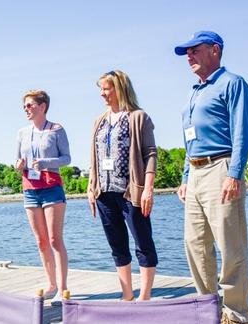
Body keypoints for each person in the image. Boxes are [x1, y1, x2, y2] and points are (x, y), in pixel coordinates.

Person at [175, 31, 248, 324]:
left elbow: (242, 132)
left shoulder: (233, 83)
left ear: (215, 50)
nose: (189, 56)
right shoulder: (194, 91)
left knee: (230, 245)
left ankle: (235, 314)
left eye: (195, 50)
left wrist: (234, 174)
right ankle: (207, 308)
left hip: (221, 168)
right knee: (194, 244)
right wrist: (184, 176)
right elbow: (189, 140)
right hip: (194, 173)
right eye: (187, 53)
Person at [87, 70, 158, 301]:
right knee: (117, 245)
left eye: (106, 89)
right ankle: (127, 294)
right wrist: (91, 187)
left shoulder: (139, 117)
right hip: (104, 193)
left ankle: (144, 296)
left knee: (143, 243)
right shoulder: (99, 121)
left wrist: (147, 188)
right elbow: (94, 157)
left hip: (131, 193)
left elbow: (150, 154)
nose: (102, 94)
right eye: (101, 89)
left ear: (119, 88)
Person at [15, 90, 71, 305]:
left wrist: (46, 163)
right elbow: (17, 163)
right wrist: (19, 166)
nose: (26, 109)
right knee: (41, 242)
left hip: (52, 188)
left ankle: (63, 288)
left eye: (30, 105)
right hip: (30, 189)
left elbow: (67, 158)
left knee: (55, 239)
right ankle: (51, 285)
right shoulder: (21, 133)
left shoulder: (56, 129)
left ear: (43, 106)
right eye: (25, 107)